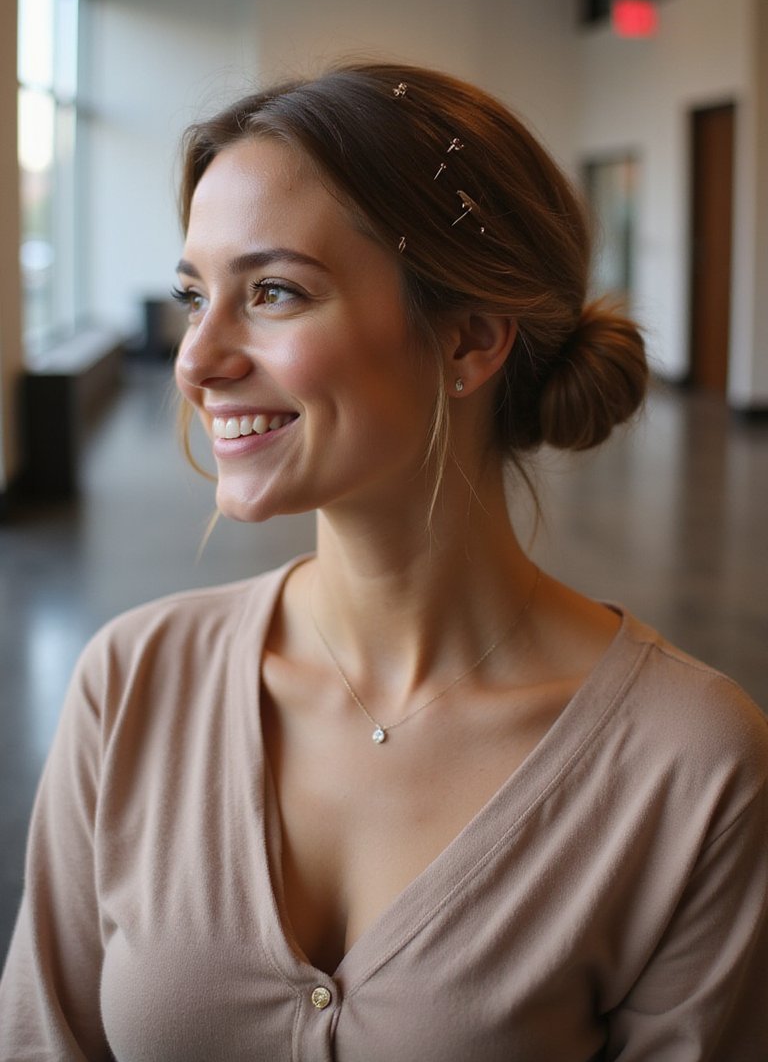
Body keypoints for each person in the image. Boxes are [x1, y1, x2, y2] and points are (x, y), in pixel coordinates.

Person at [1, 62, 766, 1061]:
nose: (196, 361)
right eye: (196, 295)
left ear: (470, 341)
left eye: (272, 292)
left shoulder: (689, 762)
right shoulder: (132, 683)